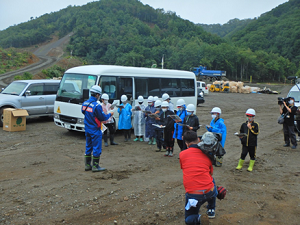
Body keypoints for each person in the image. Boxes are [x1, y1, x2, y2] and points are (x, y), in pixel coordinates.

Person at [180, 131, 218, 225]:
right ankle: (211, 209)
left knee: (189, 218)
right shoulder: (207, 154)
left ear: (186, 143)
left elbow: (183, 167)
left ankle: (199, 219)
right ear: (198, 139)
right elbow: (211, 173)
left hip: (194, 195)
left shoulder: (182, 154)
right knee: (211, 180)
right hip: (209, 192)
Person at [82, 85, 114, 172]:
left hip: (87, 128)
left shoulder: (85, 103)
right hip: (95, 129)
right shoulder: (97, 106)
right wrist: (110, 114)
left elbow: (83, 112)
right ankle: (95, 166)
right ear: (97, 95)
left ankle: (87, 165)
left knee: (88, 146)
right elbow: (103, 117)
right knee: (96, 147)